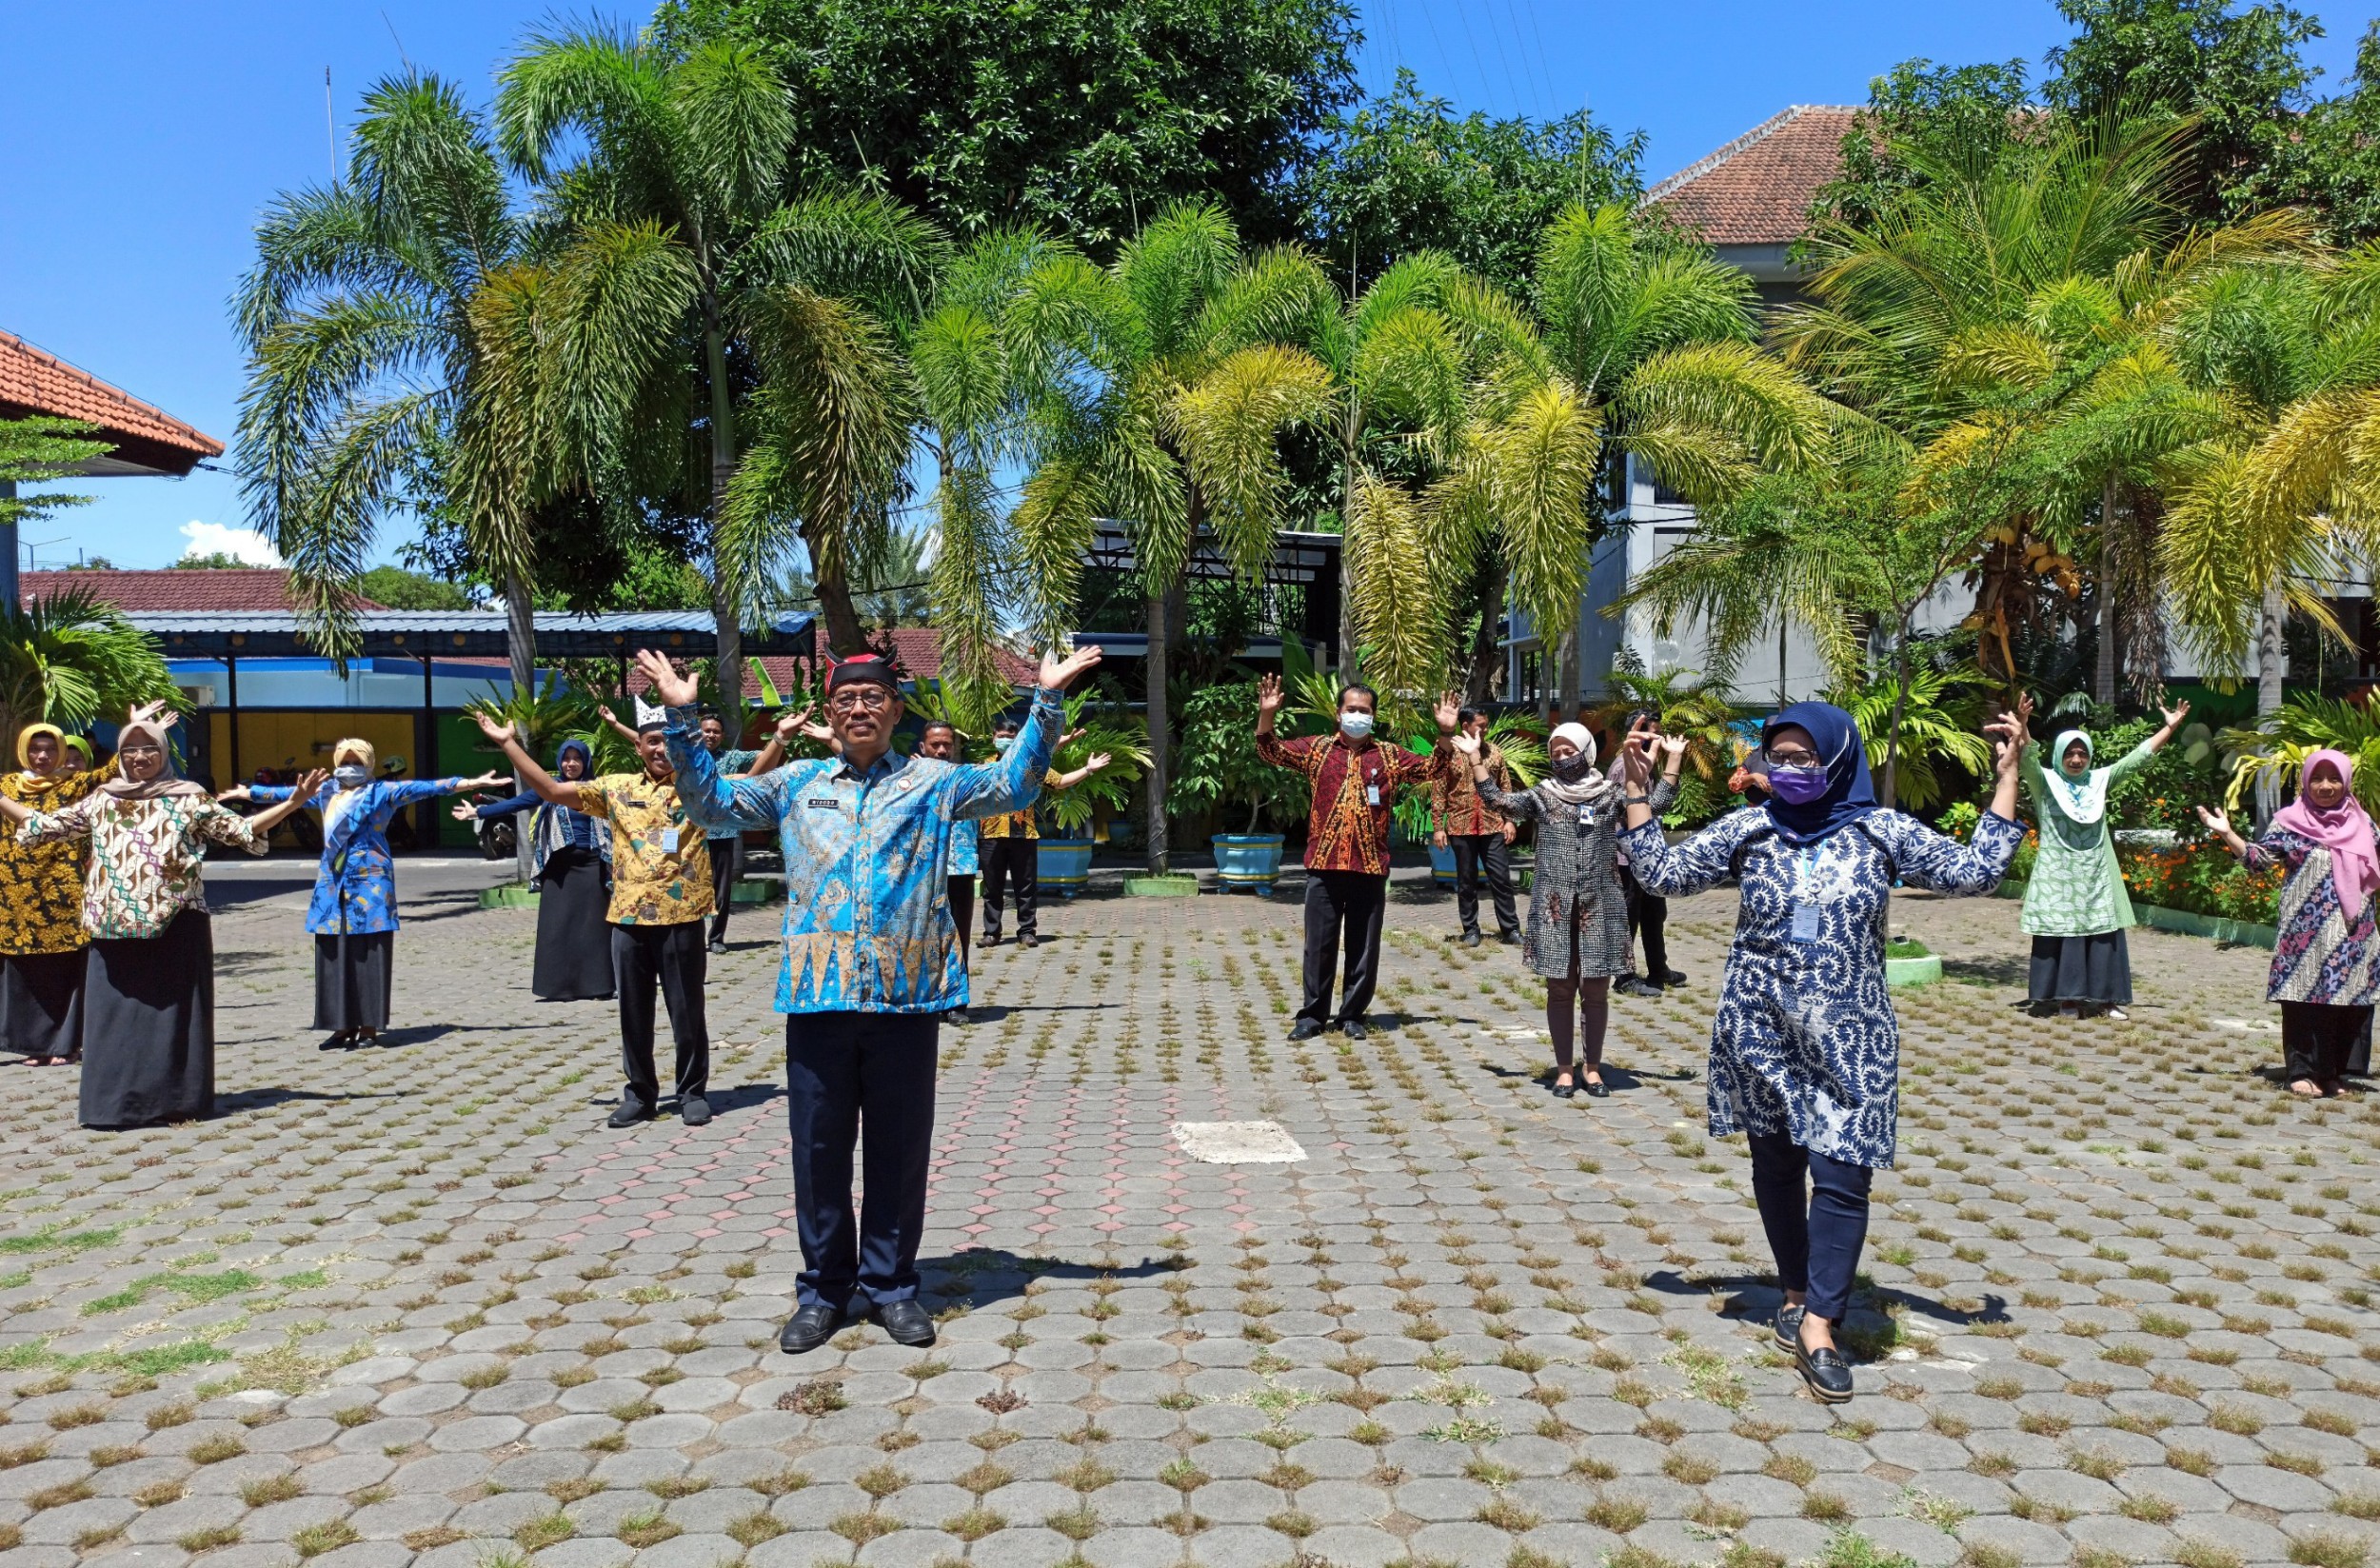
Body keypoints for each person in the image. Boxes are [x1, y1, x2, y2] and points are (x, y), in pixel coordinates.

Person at [654, 642, 1105, 1353]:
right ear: (830, 714)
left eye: (873, 699)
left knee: (898, 1150)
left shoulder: (934, 783)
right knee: (819, 1148)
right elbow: (711, 804)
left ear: (895, 710)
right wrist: (681, 718)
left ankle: (893, 1284)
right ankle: (825, 1289)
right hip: (819, 998)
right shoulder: (796, 783)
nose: (859, 709)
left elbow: (1016, 787)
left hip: (905, 999)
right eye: (845, 701)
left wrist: (1046, 700)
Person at [1617, 698, 2028, 1402]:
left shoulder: (1880, 830)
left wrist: (2010, 774)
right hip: (1761, 1027)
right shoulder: (1750, 827)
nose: (1790, 768)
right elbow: (1662, 875)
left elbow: (1976, 871)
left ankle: (1820, 1323)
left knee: (1844, 1174)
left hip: (1852, 1035)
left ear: (1838, 757)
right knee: (1776, 1164)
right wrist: (1635, 789)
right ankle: (1796, 1288)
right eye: (1779, 756)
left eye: (1805, 757)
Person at [0, 711, 322, 1127]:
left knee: (170, 1019)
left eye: (149, 748)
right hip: (112, 928)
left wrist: (293, 803)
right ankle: (115, 1106)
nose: (139, 757)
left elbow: (241, 831)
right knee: (116, 1024)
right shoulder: (103, 799)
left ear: (164, 751)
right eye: (130, 749)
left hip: (175, 925)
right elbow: (44, 826)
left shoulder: (187, 797)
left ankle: (173, 1102)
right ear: (119, 756)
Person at [479, 698, 750, 1128]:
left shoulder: (698, 784)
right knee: (633, 1014)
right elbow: (551, 792)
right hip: (628, 919)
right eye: (652, 742)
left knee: (687, 1011)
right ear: (639, 747)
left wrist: (783, 739)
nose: (660, 749)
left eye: (666, 742)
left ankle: (692, 1091)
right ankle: (641, 1094)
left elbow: (751, 780)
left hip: (681, 918)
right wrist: (509, 744)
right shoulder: (615, 787)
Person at [224, 743, 503, 1048]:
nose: (350, 766)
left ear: (369, 764)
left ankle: (369, 1027)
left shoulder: (383, 792)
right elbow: (287, 795)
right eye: (345, 760)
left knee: (369, 954)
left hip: (370, 886)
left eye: (357, 761)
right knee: (333, 953)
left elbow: (429, 787)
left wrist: (471, 783)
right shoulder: (326, 791)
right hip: (331, 885)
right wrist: (247, 793)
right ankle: (340, 1026)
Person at [1457, 720, 1680, 1098]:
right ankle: (1563, 1070)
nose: (1563, 757)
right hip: (1554, 906)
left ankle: (1592, 1070)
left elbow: (1655, 805)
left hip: (1602, 903)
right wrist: (1476, 758)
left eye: (1569, 750)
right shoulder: (1543, 796)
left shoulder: (1610, 794)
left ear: (1586, 751)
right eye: (1556, 752)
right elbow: (1498, 801)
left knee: (1596, 991)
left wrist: (1672, 761)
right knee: (1560, 990)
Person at [1257, 675, 1460, 1040]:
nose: (1357, 716)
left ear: (1373, 716)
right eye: (1351, 709)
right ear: (1338, 713)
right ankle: (1312, 1016)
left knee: (1363, 945)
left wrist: (1445, 733)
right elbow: (1271, 751)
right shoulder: (1317, 750)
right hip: (1324, 863)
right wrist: (1267, 716)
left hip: (1369, 865)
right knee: (1319, 943)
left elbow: (1434, 769)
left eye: (1364, 711)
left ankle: (1352, 1015)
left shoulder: (1389, 756)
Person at [2199, 749, 2380, 1098]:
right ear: (2305, 780)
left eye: (2334, 778)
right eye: (2317, 778)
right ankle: (2301, 1071)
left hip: (2352, 932)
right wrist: (2227, 834)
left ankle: (2331, 1074)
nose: (2325, 786)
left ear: (2346, 781)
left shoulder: (2363, 823)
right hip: (2306, 934)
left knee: (2345, 1001)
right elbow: (2259, 860)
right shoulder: (2289, 821)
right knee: (2304, 1001)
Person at [2019, 701, 2190, 1021]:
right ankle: (2066, 1000)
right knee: (2064, 933)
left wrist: (2170, 727)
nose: (2076, 759)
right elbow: (2027, 757)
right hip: (2059, 878)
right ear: (2059, 755)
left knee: (2102, 935)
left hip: (2096, 876)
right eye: (2069, 753)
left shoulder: (2099, 781)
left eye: (2082, 753)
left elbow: (2136, 759)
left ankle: (2105, 999)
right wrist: (2025, 724)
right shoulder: (2045, 781)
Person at [604, 702, 788, 955]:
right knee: (686, 885)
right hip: (687, 835)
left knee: (721, 889)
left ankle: (716, 937)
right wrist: (614, 724)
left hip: (722, 833)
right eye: (706, 731)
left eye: (716, 731)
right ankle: (685, 934)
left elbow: (759, 761)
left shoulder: (732, 758)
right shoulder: (683, 756)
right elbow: (648, 741)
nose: (710, 735)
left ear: (722, 736)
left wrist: (780, 737)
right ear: (697, 734)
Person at [456, 738, 616, 1002]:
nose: (571, 764)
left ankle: (599, 986)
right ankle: (558, 987)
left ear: (586, 761)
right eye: (566, 758)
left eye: (577, 758)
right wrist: (478, 813)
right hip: (559, 867)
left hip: (593, 865)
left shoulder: (601, 787)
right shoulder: (549, 787)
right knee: (558, 926)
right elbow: (516, 804)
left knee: (594, 927)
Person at [0, 724, 118, 1065]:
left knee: (66, 970)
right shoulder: (6, 786)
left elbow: (111, 772)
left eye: (51, 749)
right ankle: (33, 1047)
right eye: (36, 749)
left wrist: (136, 728)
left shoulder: (73, 784)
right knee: (25, 973)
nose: (42, 756)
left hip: (64, 893)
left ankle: (64, 1046)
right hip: (15, 895)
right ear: (24, 750)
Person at [976, 715, 1108, 948]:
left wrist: (1088, 769)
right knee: (992, 886)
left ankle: (1027, 931)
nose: (1005, 741)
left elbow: (1060, 781)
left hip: (1023, 834)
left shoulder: (1031, 768)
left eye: (1010, 738)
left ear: (1018, 740)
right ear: (993, 738)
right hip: (990, 835)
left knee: (1025, 887)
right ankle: (991, 932)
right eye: (1001, 737)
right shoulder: (984, 767)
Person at [1616, 709, 1691, 999]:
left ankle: (1659, 969)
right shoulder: (1624, 768)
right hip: (1627, 858)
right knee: (1628, 918)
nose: (1655, 742)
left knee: (1653, 915)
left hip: (1648, 857)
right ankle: (1623, 976)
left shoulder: (1644, 764)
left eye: (1657, 735)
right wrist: (1674, 763)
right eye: (1650, 736)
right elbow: (1650, 807)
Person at [1433, 708, 1521, 948]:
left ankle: (1511, 929)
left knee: (1501, 878)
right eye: (1480, 725)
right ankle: (1471, 930)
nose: (1484, 729)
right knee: (1467, 880)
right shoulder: (1449, 751)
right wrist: (1438, 827)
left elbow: (1505, 788)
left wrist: (1510, 819)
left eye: (1486, 725)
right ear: (1465, 726)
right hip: (1460, 826)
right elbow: (1439, 790)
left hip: (1492, 825)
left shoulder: (1494, 752)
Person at [916, 721, 979, 1025]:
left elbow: (1011, 774)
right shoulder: (907, 779)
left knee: (959, 936)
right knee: (922, 938)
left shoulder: (965, 778)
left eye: (946, 745)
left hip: (960, 869)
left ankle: (956, 1003)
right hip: (922, 872)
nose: (941, 750)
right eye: (935, 744)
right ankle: (926, 999)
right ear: (922, 747)